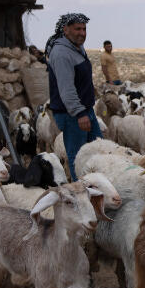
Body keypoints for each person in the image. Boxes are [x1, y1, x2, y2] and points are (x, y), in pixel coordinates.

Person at [45, 12, 101, 179]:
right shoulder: (62, 53)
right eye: (77, 29)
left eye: (84, 29)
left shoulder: (76, 47)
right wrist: (79, 113)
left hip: (85, 111)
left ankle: (98, 189)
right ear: (66, 30)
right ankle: (82, 193)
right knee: (78, 157)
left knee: (99, 151)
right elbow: (66, 88)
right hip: (73, 115)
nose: (82, 33)